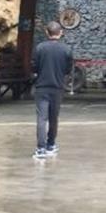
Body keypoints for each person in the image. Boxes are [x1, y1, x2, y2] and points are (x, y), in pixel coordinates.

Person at [31, 20, 73, 160]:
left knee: (41, 118)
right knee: (54, 118)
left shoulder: (40, 48)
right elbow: (68, 69)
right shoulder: (66, 50)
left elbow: (34, 67)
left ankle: (40, 148)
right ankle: (51, 145)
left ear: (46, 32)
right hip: (57, 88)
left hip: (42, 87)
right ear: (60, 33)